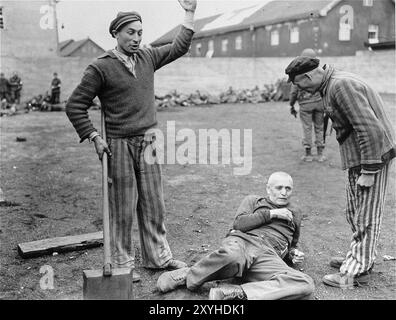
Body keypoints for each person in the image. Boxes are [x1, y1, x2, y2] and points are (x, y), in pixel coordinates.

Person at [65, 0, 197, 280]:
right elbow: (75, 105)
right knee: (123, 206)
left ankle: (158, 258)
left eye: (140, 32)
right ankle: (123, 264)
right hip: (118, 145)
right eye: (131, 33)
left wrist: (189, 13)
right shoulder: (100, 67)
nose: (137, 38)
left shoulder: (148, 57)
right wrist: (94, 136)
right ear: (116, 33)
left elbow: (179, 47)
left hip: (148, 141)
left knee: (153, 203)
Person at [285, 56, 396, 289]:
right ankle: (361, 258)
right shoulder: (331, 83)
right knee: (355, 210)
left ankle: (355, 273)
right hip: (360, 156)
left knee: (366, 214)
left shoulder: (340, 85)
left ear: (308, 76)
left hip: (371, 157)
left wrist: (369, 170)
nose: (299, 89)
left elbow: (369, 128)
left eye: (298, 83)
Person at [157, 172, 315, 300]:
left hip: (268, 254)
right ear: (268, 189)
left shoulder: (295, 213)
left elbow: (292, 243)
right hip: (244, 242)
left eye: (288, 188)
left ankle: (237, 293)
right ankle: (187, 275)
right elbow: (239, 224)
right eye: (279, 187)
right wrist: (272, 214)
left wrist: (293, 253)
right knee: (235, 257)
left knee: (305, 284)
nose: (283, 192)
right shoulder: (253, 201)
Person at [289, 49, 326, 162]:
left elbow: (294, 92)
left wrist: (291, 105)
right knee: (320, 128)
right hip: (320, 104)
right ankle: (320, 155)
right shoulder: (320, 72)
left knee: (307, 128)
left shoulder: (299, 72)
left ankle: (308, 155)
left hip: (305, 105)